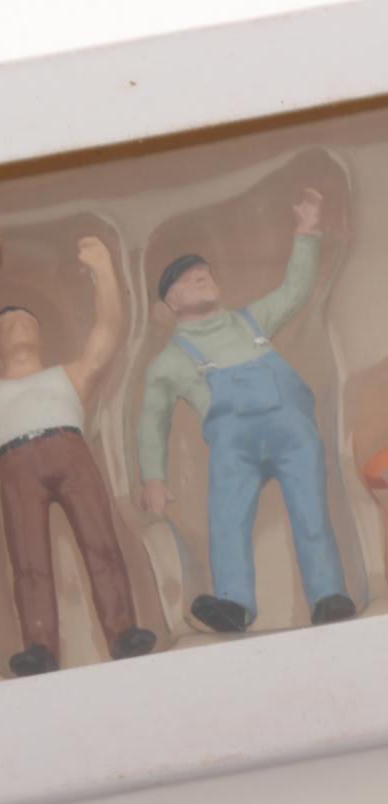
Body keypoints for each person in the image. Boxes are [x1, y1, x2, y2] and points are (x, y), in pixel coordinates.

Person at [0, 237, 156, 676]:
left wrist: (104, 270)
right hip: (16, 467)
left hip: (72, 456)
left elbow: (107, 333)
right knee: (28, 561)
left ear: (42, 335)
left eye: (25, 321)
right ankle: (40, 647)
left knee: (102, 543)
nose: (17, 327)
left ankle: (123, 631)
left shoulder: (70, 376)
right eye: (6, 325)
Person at [138, 188, 355, 633]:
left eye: (205, 274)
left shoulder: (252, 321)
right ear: (171, 303)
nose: (202, 278)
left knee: (312, 512)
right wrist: (153, 478)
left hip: (293, 434)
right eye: (189, 279)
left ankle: (329, 596)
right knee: (226, 520)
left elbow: (295, 291)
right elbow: (153, 419)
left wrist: (307, 231)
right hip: (233, 450)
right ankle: (234, 603)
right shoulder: (170, 361)